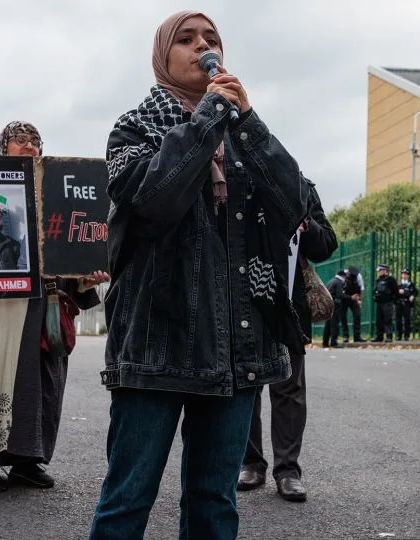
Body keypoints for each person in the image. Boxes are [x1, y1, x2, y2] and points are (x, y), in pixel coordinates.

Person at [90, 12, 309, 538]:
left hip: (235, 352)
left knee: (214, 502)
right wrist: (211, 112)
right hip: (156, 345)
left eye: (211, 39)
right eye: (186, 40)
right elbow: (154, 198)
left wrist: (250, 122)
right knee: (128, 498)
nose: (202, 48)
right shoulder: (133, 128)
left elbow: (295, 204)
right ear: (162, 55)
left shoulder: (243, 133)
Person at [0, 121, 108, 492]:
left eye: (35, 141)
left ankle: (27, 461)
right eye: (20, 140)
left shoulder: (59, 191)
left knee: (39, 385)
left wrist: (88, 271)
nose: (29, 146)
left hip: (40, 306)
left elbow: (71, 247)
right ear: (3, 149)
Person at [239, 186, 336, 502]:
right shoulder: (237, 178)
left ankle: (288, 471)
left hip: (288, 305)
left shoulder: (299, 186)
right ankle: (251, 464)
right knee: (246, 387)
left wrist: (307, 223)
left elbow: (325, 246)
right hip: (243, 301)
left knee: (289, 389)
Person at [371, 263, 397, 342]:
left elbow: (396, 291)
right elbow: (374, 290)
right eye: (378, 271)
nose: (378, 272)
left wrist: (392, 298)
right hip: (379, 303)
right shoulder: (378, 280)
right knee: (379, 320)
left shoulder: (390, 279)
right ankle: (379, 337)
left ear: (385, 270)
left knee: (387, 320)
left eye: (380, 270)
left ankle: (389, 336)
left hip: (387, 303)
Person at [322, 270, 346, 348]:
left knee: (328, 324)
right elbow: (340, 295)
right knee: (334, 324)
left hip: (327, 305)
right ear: (343, 276)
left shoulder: (330, 281)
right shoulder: (339, 282)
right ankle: (333, 342)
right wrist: (349, 297)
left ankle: (325, 342)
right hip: (335, 306)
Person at [340, 265, 365, 342]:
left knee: (357, 316)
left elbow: (361, 289)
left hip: (355, 298)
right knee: (343, 317)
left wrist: (359, 299)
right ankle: (345, 336)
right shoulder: (342, 275)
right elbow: (340, 291)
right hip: (344, 298)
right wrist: (349, 297)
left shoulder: (358, 276)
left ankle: (357, 337)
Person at [396, 268, 416, 340]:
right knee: (398, 320)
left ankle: (406, 336)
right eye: (403, 274)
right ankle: (399, 335)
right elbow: (394, 292)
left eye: (406, 274)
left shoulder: (410, 284)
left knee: (407, 319)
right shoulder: (398, 284)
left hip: (407, 303)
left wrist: (412, 296)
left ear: (408, 276)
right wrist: (398, 291)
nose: (404, 275)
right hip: (399, 303)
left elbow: (415, 292)